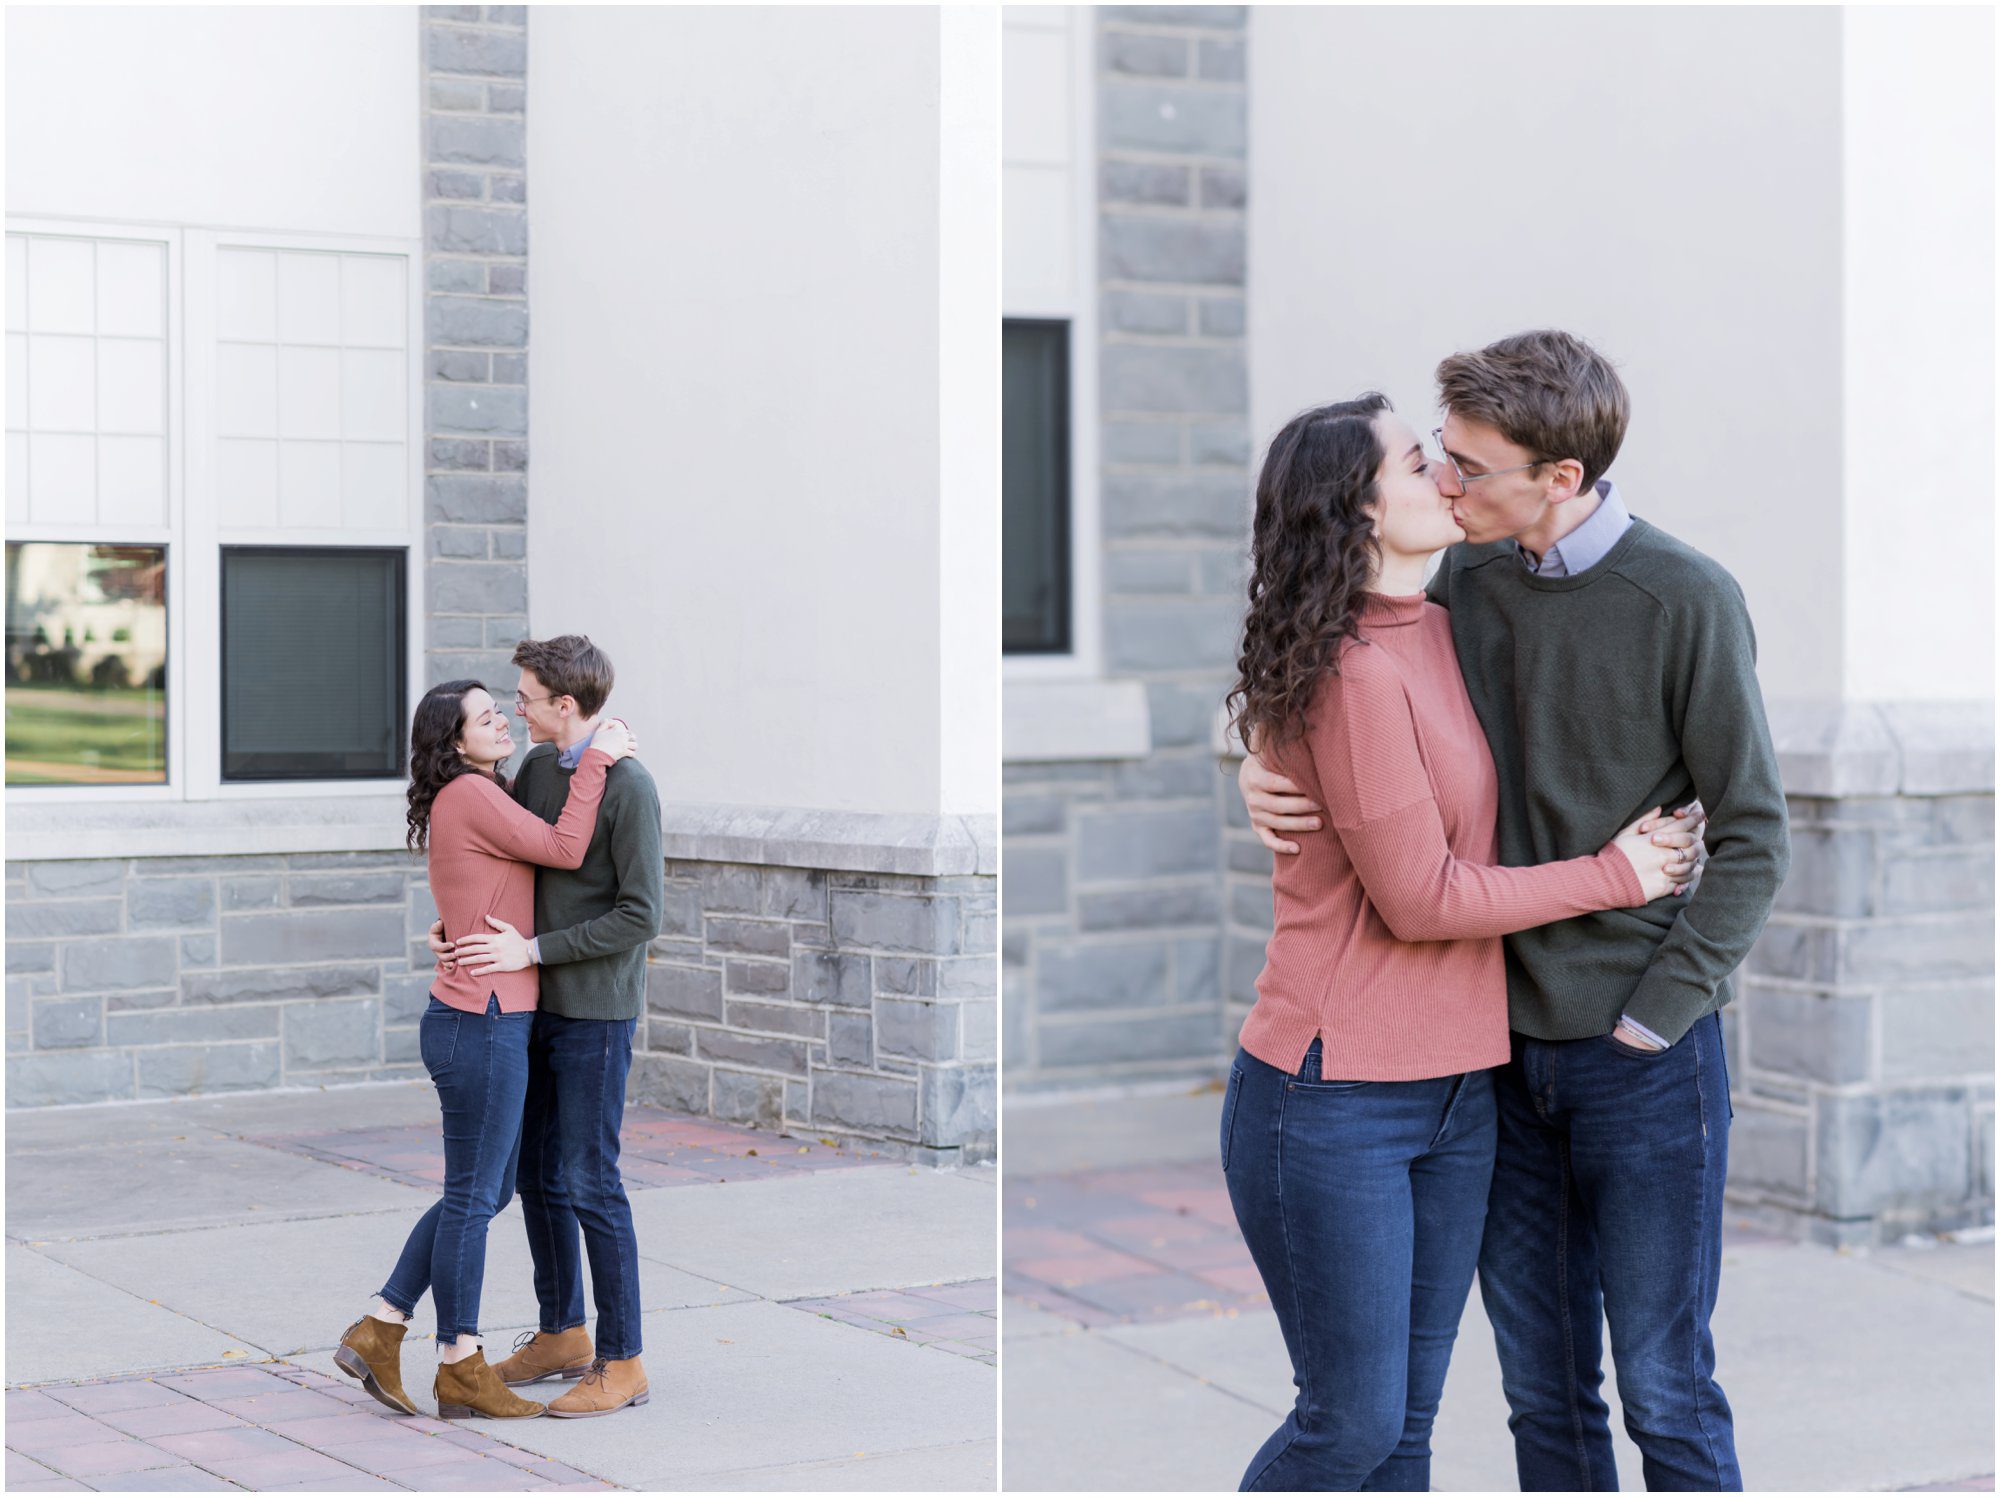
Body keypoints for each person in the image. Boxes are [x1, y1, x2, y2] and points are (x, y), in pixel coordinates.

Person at [1239, 331, 1790, 1492]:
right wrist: (1250, 753)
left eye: (1467, 465)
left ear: (1558, 480)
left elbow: (1752, 834)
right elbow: (1320, 638)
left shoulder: (1681, 598)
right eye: (1431, 457)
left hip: (1635, 1052)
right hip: (1493, 1057)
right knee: (1535, 1393)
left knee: (1663, 1386)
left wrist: (1658, 1014)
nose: (1445, 477)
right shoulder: (1466, 580)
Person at [334, 680, 635, 1420]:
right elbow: (566, 845)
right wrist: (598, 758)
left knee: (487, 1190)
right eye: (485, 715)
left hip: (484, 1018)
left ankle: (382, 1322)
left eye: (504, 708)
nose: (503, 717)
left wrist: (454, 924)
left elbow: (484, 885)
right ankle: (458, 1360)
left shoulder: (477, 792)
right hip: (485, 1021)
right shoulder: (472, 794)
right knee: (475, 1195)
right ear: (454, 741)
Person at [429, 634, 664, 1419]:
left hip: (595, 1010)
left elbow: (641, 914)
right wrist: (457, 924)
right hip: (531, 1003)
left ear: (565, 705)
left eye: (525, 696)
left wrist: (534, 945)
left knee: (591, 1178)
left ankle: (622, 1357)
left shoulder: (629, 786)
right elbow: (515, 858)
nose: (516, 706)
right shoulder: (533, 769)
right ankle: (563, 1329)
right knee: (537, 1175)